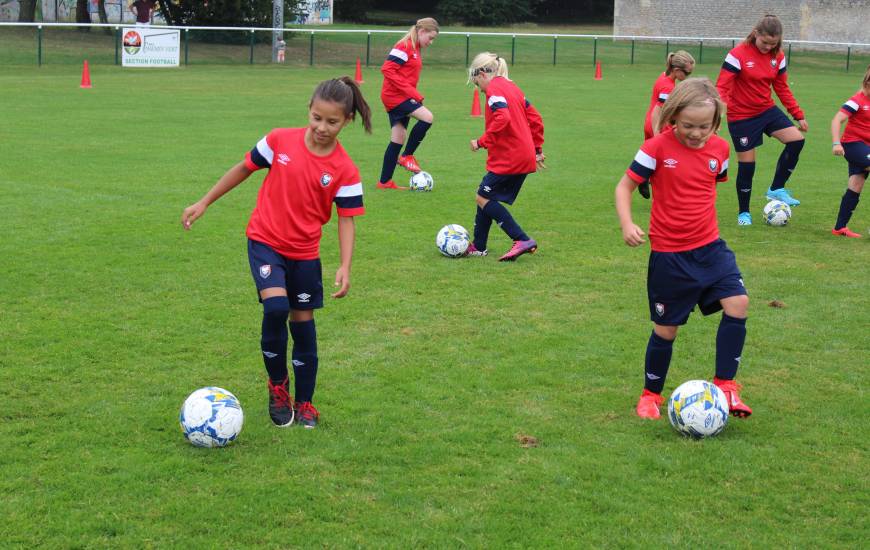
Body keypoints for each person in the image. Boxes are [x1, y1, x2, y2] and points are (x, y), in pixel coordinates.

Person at [181, 78, 371, 429]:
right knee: (276, 307)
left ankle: (306, 403)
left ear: (346, 121)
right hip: (265, 241)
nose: (322, 127)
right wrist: (204, 201)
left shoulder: (345, 170)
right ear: (308, 110)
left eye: (332, 122)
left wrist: (345, 264)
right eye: (317, 118)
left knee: (304, 326)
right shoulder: (279, 140)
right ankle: (278, 385)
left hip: (305, 254)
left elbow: (347, 221)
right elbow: (243, 169)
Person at [614, 78, 752, 420]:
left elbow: (712, 184)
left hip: (710, 248)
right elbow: (625, 186)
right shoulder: (655, 148)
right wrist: (628, 224)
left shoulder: (720, 150)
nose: (696, 133)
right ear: (673, 117)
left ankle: (726, 386)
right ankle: (650, 395)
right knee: (666, 330)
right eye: (688, 125)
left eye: (704, 126)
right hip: (669, 255)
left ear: (715, 123)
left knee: (738, 302)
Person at [716, 14, 807, 226]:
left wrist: (798, 115)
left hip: (766, 110)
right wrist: (716, 115)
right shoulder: (737, 55)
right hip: (741, 117)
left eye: (773, 44)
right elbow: (722, 87)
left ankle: (776, 189)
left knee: (796, 140)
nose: (768, 47)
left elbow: (782, 87)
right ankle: (744, 214)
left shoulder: (779, 56)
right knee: (748, 167)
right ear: (756, 34)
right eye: (765, 42)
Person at [464, 52, 545, 261]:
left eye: (476, 84)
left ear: (482, 74)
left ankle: (521, 239)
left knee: (482, 196)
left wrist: (481, 142)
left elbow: (503, 117)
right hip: (523, 155)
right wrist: (537, 150)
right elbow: (535, 119)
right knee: (485, 194)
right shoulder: (513, 88)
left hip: (511, 156)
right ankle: (479, 246)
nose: (480, 90)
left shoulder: (494, 89)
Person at [376, 17, 439, 190]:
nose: (431, 42)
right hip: (395, 96)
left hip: (400, 95)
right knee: (427, 117)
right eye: (430, 37)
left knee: (398, 138)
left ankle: (384, 182)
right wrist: (412, 93)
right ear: (422, 31)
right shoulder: (405, 46)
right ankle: (407, 156)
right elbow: (387, 69)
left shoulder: (415, 48)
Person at [638, 50, 696, 199]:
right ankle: (664, 191)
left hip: (649, 123)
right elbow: (659, 112)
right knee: (671, 162)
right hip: (658, 126)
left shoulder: (663, 77)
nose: (688, 77)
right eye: (687, 73)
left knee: (657, 160)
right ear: (676, 70)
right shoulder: (667, 88)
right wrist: (658, 135)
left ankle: (644, 176)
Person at [830, 64, 870, 238]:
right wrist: (836, 143)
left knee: (856, 184)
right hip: (852, 145)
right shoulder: (857, 100)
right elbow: (837, 120)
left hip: (866, 148)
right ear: (867, 83)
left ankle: (840, 228)